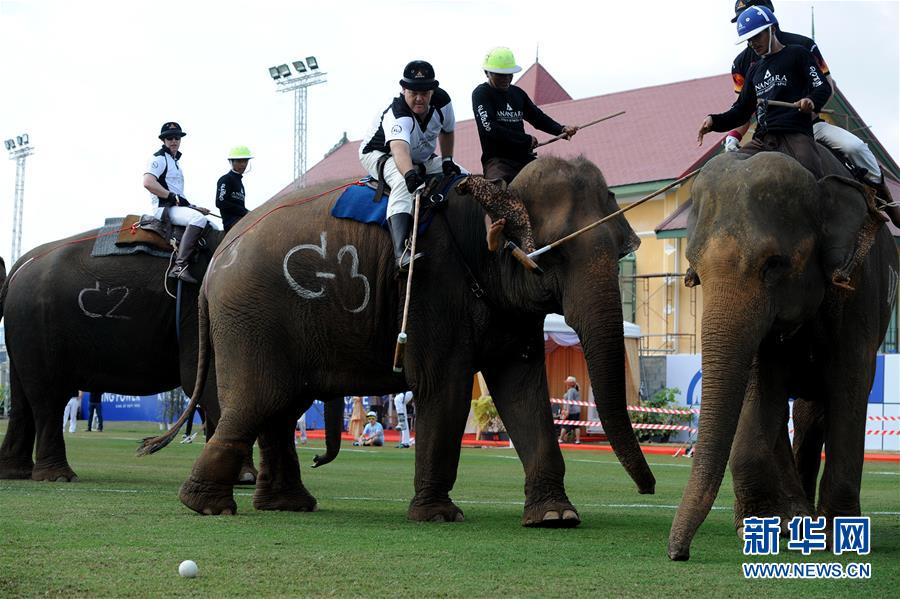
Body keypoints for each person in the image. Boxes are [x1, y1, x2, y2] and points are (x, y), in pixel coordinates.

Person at [723, 0, 898, 225]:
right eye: (741, 21)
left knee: (855, 148)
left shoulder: (803, 45)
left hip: (808, 127)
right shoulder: (740, 64)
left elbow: (827, 86)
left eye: (750, 18)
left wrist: (809, 102)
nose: (746, 28)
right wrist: (733, 136)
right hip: (768, 134)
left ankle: (886, 199)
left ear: (768, 20)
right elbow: (744, 108)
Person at [698, 5, 832, 179]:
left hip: (795, 134)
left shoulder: (798, 53)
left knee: (811, 179)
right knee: (728, 173)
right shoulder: (754, 71)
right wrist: (714, 121)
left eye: (757, 36)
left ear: (772, 29)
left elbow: (823, 87)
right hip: (763, 140)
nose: (753, 43)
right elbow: (741, 110)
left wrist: (811, 101)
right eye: (749, 39)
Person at [359, 60, 461, 271]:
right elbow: (399, 149)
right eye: (413, 92)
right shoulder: (398, 113)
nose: (419, 98)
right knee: (402, 184)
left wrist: (448, 160)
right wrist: (409, 175)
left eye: (424, 92)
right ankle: (401, 253)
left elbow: (448, 131)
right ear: (403, 89)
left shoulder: (443, 102)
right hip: (380, 154)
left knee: (463, 174)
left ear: (433, 90)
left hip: (420, 157)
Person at [472, 47, 577, 184]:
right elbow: (489, 128)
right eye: (501, 75)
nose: (507, 78)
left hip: (524, 158)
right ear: (487, 73)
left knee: (556, 182)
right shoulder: (481, 94)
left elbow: (537, 117)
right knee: (496, 191)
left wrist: (561, 129)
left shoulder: (517, 94)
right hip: (498, 161)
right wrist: (525, 140)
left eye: (510, 74)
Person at [142, 121, 217, 284]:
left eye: (177, 137)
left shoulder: (175, 161)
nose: (174, 141)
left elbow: (179, 195)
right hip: (164, 208)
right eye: (169, 138)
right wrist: (172, 197)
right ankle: (180, 266)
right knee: (198, 219)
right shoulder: (159, 159)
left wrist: (194, 207)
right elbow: (148, 182)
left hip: (176, 207)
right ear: (163, 141)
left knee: (214, 226)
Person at [216, 146, 253, 232]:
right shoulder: (225, 179)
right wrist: (245, 212)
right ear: (231, 162)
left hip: (242, 220)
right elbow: (220, 202)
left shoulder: (240, 183)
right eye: (239, 161)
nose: (243, 164)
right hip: (232, 224)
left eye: (245, 161)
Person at [558, 376, 581, 444]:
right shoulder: (575, 390)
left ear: (571, 383)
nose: (566, 383)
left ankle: (560, 439)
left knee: (565, 425)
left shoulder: (571, 390)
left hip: (571, 411)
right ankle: (577, 440)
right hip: (576, 411)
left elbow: (570, 401)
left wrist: (566, 411)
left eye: (568, 382)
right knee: (576, 426)